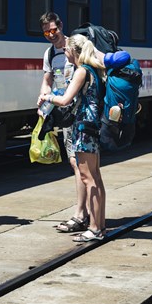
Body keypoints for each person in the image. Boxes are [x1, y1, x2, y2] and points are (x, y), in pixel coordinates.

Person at [39, 34, 106, 242]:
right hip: (92, 125)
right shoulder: (93, 70)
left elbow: (65, 99)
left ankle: (94, 228)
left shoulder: (82, 71)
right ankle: (99, 226)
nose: (64, 52)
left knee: (88, 178)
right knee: (95, 177)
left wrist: (46, 97)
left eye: (67, 50)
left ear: (74, 51)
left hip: (83, 127)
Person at [37, 12, 87, 234]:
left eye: (53, 30)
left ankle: (81, 214)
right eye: (46, 32)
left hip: (81, 113)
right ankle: (85, 213)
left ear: (61, 26)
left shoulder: (75, 47)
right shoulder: (49, 54)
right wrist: (43, 98)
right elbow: (47, 82)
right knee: (76, 163)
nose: (50, 35)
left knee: (80, 164)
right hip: (66, 114)